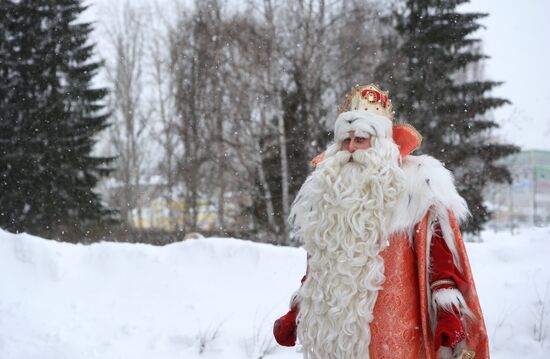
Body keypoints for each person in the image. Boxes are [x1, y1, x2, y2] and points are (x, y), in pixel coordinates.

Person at [273, 84, 489, 359]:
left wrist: (448, 312)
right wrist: (298, 310)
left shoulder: (416, 188)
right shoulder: (329, 191)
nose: (351, 148)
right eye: (345, 140)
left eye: (360, 139)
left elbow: (439, 260)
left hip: (396, 336)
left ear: (381, 143)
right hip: (337, 341)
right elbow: (322, 267)